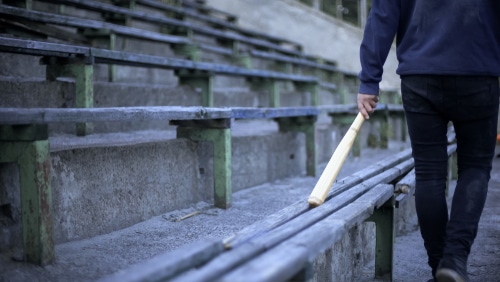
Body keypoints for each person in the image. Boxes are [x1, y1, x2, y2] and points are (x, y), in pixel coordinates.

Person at [356, 1, 500, 282]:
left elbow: (383, 15)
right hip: (478, 71)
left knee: (429, 172)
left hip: (420, 74)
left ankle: (439, 266)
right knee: (475, 168)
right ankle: (454, 260)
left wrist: (369, 80)